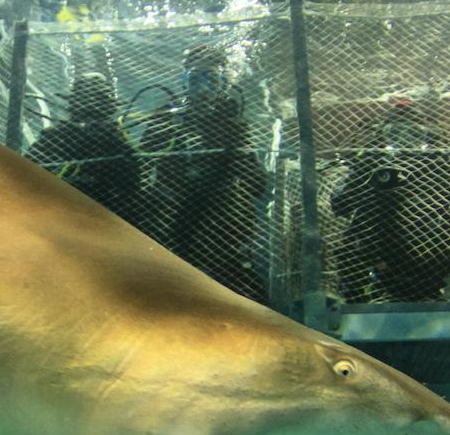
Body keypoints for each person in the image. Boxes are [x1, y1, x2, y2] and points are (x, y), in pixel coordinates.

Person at [138, 44, 268, 302]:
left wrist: (235, 152)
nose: (203, 89)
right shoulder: (166, 117)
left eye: (212, 79)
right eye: (195, 79)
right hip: (172, 217)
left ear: (224, 83)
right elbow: (139, 166)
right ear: (184, 81)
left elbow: (258, 185)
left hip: (221, 221)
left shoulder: (233, 123)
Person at [328, 99, 450, 302]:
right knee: (355, 235)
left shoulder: (438, 164)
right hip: (384, 252)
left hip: (433, 255)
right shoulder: (372, 163)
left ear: (426, 136)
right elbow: (340, 204)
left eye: (414, 134)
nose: (406, 142)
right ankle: (355, 292)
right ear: (384, 136)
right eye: (396, 134)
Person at [24, 71, 145, 224]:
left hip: (63, 215)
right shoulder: (117, 137)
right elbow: (133, 184)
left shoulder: (56, 135)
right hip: (101, 218)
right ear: (110, 106)